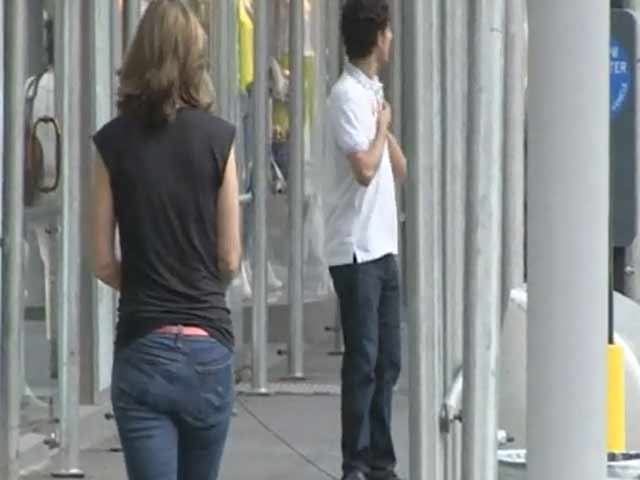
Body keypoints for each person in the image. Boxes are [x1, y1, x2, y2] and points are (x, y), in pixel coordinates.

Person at [91, 1, 241, 479]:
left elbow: (101, 261)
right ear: (196, 58)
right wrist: (194, 284)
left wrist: (147, 287)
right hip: (207, 348)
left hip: (143, 344)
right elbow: (230, 256)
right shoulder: (221, 140)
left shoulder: (110, 144)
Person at [324, 1, 407, 479]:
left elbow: (399, 169)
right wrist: (380, 127)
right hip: (355, 248)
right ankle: (355, 462)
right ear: (376, 36)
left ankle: (381, 458)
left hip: (383, 245)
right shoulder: (345, 97)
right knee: (364, 360)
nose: (392, 40)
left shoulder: (371, 93)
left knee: (388, 361)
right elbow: (364, 169)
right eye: (389, 32)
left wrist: (386, 128)